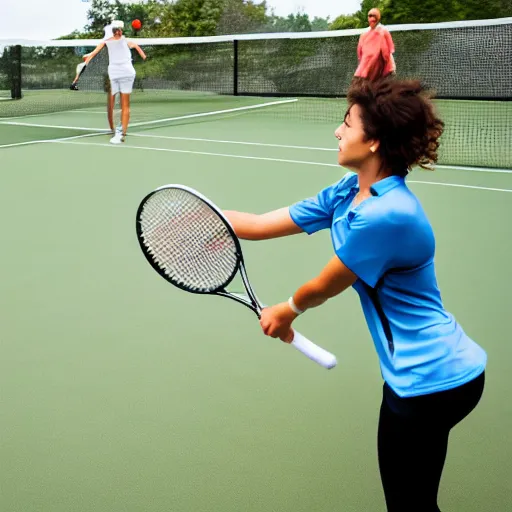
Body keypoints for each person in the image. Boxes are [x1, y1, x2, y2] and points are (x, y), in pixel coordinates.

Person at [223, 77, 487, 512]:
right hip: (423, 375)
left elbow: (325, 284)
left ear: (374, 142)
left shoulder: (389, 214)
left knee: (408, 505)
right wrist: (211, 220)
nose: (337, 132)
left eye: (347, 123)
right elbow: (259, 223)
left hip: (430, 381)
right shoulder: (349, 193)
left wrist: (285, 312)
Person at [84, 23, 146, 144]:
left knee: (116, 103)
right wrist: (143, 56)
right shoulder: (118, 40)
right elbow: (137, 47)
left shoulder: (113, 40)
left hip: (122, 72)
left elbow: (94, 52)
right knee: (123, 103)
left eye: (118, 30)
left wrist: (88, 57)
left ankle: (117, 131)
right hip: (123, 72)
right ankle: (120, 132)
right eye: (117, 30)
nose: (118, 32)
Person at [355, 8, 396, 82]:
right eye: (370, 16)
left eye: (373, 16)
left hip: (383, 69)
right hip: (371, 70)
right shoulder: (365, 34)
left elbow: (387, 53)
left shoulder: (383, 32)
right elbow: (360, 54)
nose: (372, 18)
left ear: (378, 18)